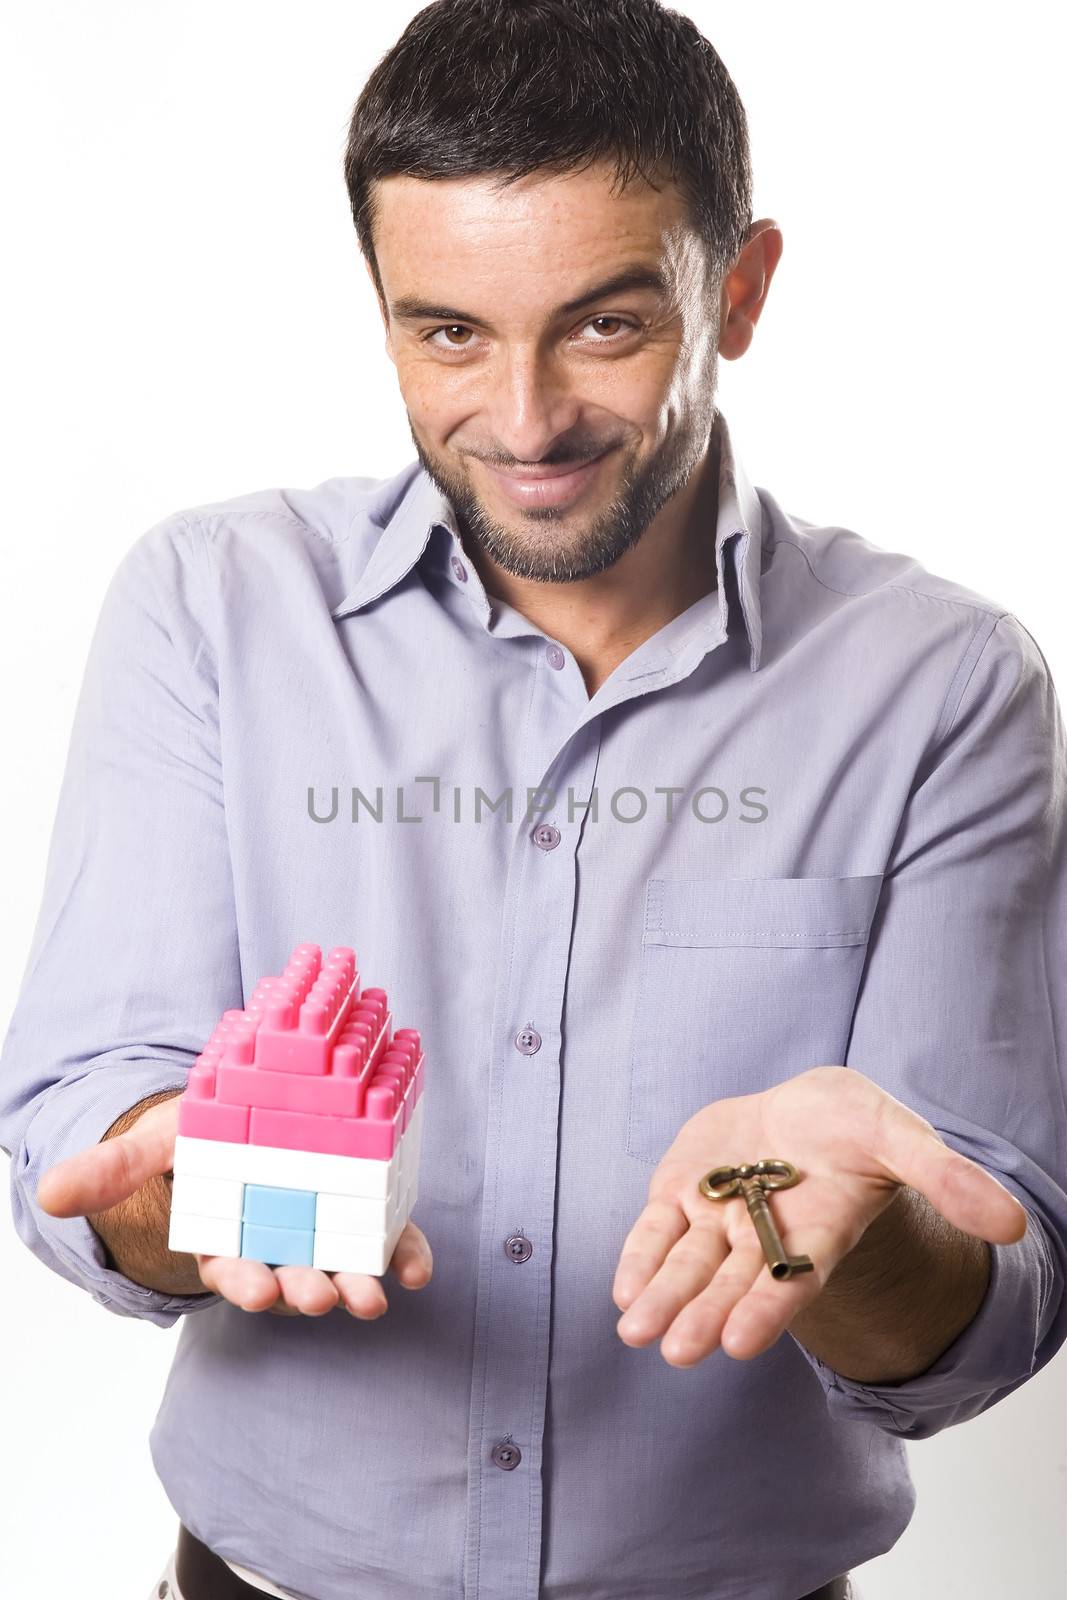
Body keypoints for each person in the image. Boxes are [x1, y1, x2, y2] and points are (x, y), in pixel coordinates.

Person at [2, 1, 1065, 1597]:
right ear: (381, 310)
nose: (522, 420)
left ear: (744, 290)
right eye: (449, 333)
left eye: (605, 326)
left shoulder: (947, 686)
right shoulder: (209, 607)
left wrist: (837, 1237)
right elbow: (96, 1128)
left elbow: (984, 1312)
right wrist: (195, 1175)